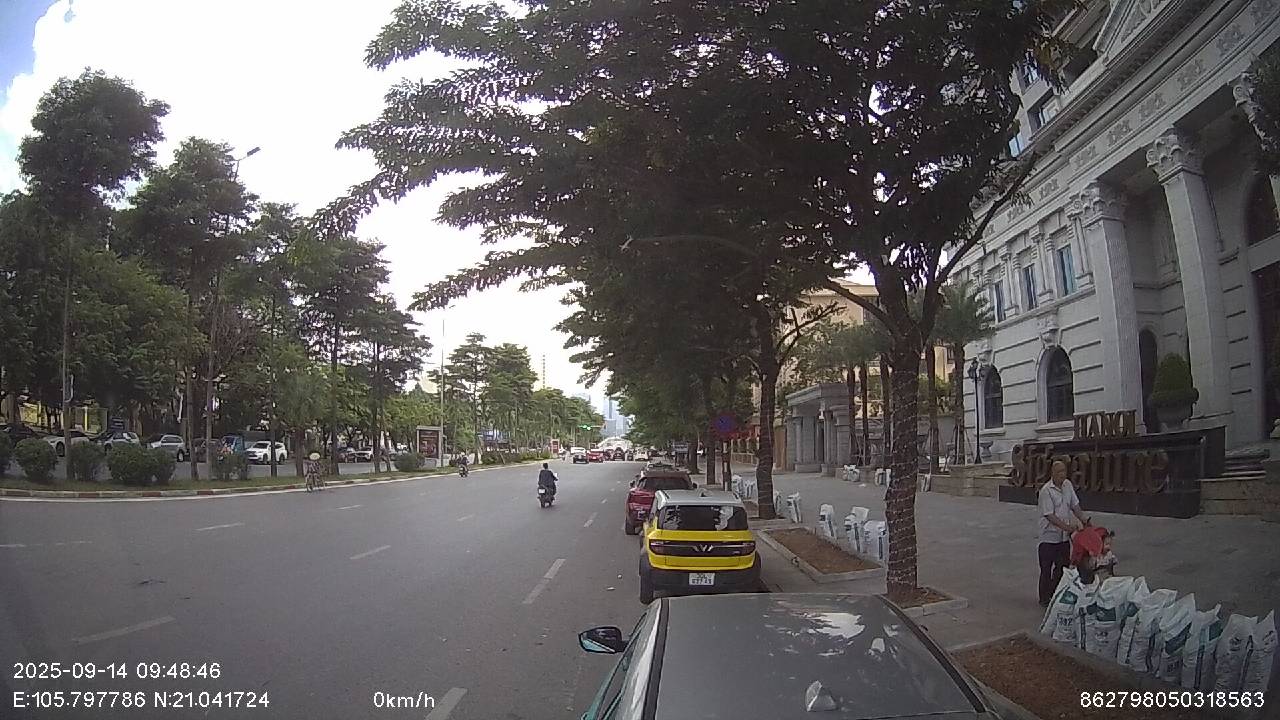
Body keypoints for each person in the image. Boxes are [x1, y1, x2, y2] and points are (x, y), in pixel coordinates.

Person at [1038, 459, 1087, 606]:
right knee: (1046, 569)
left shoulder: (1068, 485)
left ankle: (1055, 594)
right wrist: (1067, 527)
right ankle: (1044, 598)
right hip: (1049, 537)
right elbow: (1050, 515)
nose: (1062, 474)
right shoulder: (1046, 491)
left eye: (1064, 471)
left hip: (1064, 538)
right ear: (1052, 473)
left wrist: (1084, 519)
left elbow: (1075, 505)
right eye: (1059, 472)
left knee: (1063, 567)